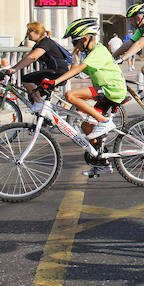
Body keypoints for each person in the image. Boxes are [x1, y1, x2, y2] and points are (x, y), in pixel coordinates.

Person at [49, 18, 128, 176]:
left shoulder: (98, 50)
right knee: (86, 127)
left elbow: (79, 70)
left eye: (74, 42)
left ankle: (104, 121)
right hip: (105, 91)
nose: (74, 45)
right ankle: (101, 162)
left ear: (85, 38)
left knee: (71, 94)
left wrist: (54, 81)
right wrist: (74, 57)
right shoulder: (91, 53)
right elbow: (75, 70)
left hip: (112, 89)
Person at [1, 22, 71, 111]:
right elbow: (27, 58)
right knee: (33, 95)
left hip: (58, 72)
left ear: (37, 32)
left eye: (29, 31)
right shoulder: (39, 44)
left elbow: (32, 57)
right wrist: (12, 68)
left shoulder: (46, 43)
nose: (27, 34)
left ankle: (39, 104)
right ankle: (44, 117)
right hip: (53, 71)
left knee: (26, 80)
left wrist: (15, 69)